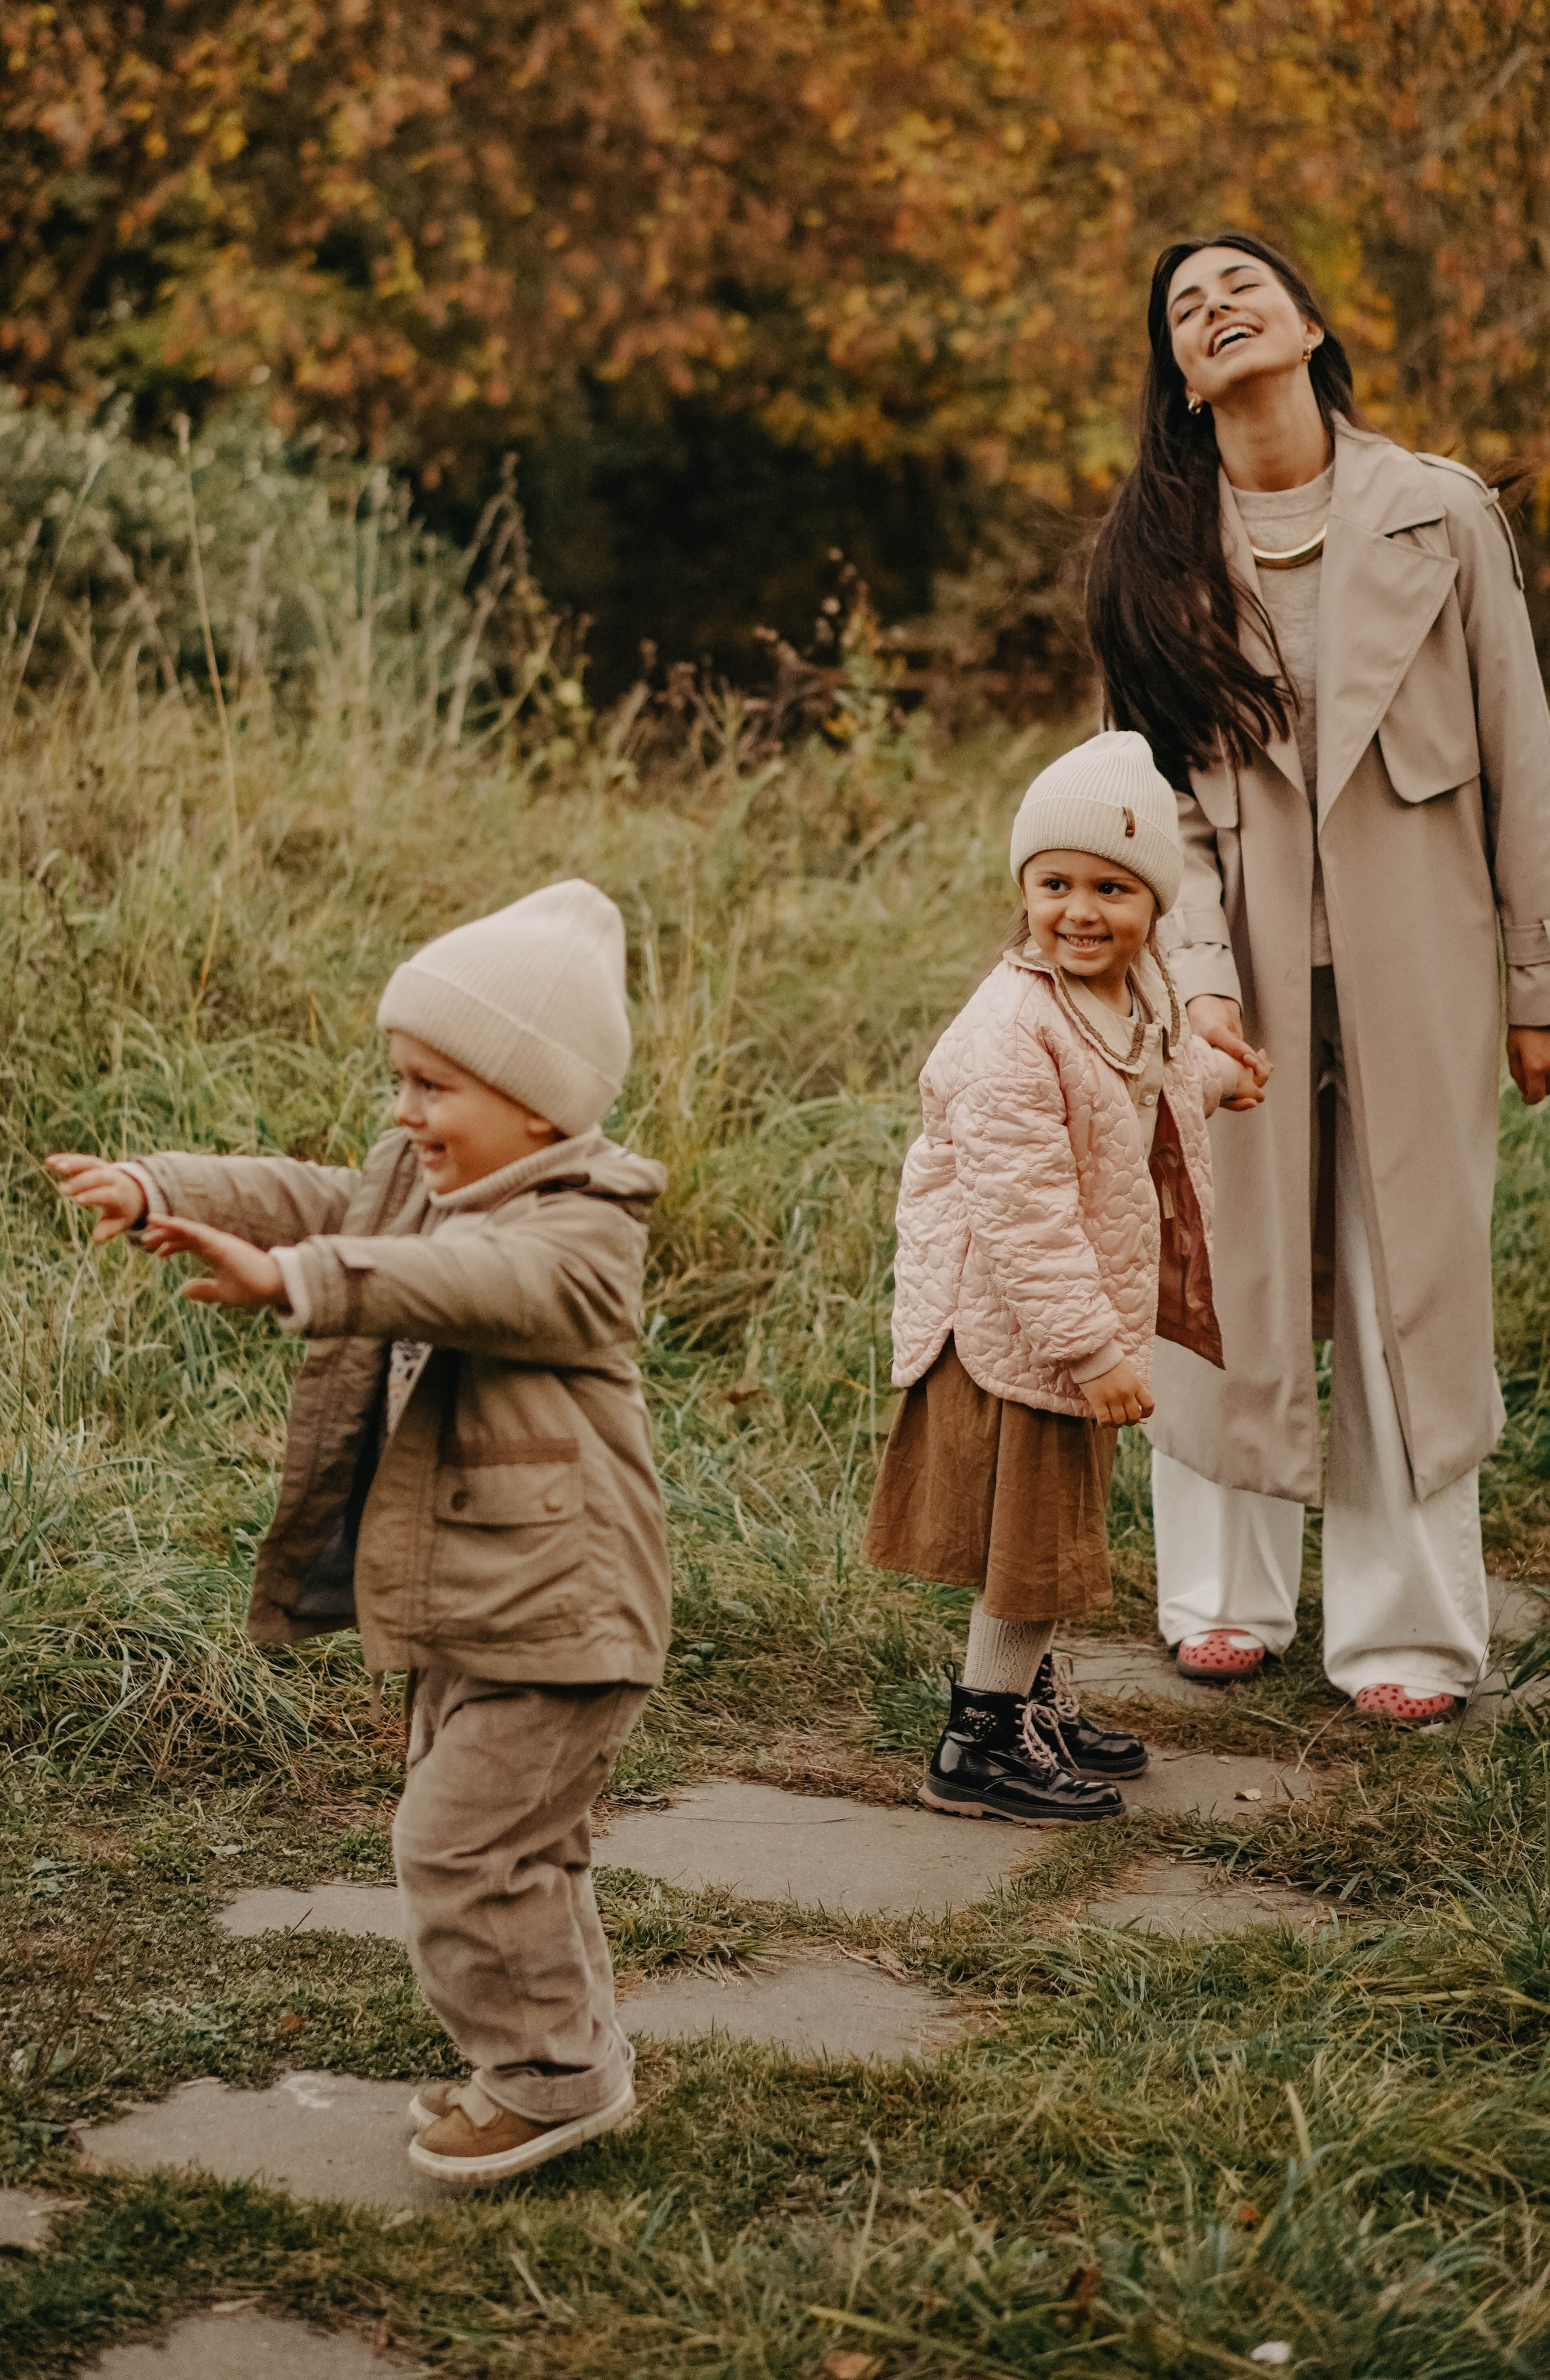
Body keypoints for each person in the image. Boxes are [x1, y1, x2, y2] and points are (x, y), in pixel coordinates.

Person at [48, 879, 670, 2186]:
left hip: (568, 1615)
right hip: (482, 1606)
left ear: (538, 1104)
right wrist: (163, 1185)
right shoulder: (424, 1184)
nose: (404, 1113)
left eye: (434, 1087)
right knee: (519, 1847)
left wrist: (302, 1284)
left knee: (454, 1844)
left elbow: (480, 1283)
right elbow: (317, 1195)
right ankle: (563, 2061)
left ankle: (544, 2081)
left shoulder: (582, 1229)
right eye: (401, 1080)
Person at [1086, 231, 1550, 1719]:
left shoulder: (1440, 513)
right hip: (1235, 984)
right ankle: (1220, 1596)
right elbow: (1138, 805)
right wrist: (1199, 985)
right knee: (1223, 1274)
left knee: (1410, 1274)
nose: (1213, 308)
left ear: (1306, 324)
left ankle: (1406, 1632)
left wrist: (1537, 982)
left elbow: (1520, 754)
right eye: (1182, 306)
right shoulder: (1145, 562)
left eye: (1240, 287)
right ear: (1175, 371)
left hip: (1423, 974)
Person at [863, 732, 1267, 1820]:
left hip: (1053, 1316)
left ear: (1154, 905)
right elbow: (1023, 1213)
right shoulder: (1011, 1030)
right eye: (1054, 883)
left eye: (1111, 888)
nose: (1079, 910)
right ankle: (978, 1741)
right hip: (1014, 1328)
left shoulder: (1133, 994)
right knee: (1029, 1547)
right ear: (1024, 888)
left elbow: (1162, 1066)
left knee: (1042, 1535)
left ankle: (1029, 1697)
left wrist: (1224, 1075)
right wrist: (1093, 1350)